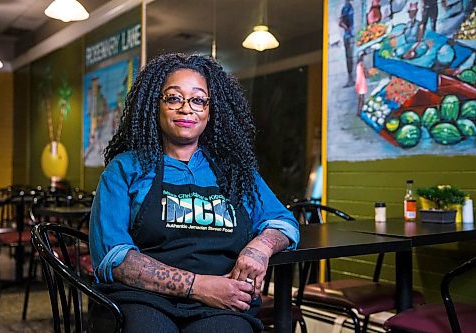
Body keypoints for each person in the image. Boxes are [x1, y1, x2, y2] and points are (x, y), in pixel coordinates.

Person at [88, 53, 300, 333]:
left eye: (198, 100)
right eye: (174, 98)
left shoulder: (234, 172)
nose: (187, 109)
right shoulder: (126, 168)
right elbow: (114, 259)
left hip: (223, 300)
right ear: (155, 105)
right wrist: (198, 286)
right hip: (144, 299)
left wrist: (259, 248)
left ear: (211, 110)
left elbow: (283, 223)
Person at [339, 0, 355, 87]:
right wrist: (348, 29)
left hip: (351, 35)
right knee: (349, 57)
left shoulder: (349, 6)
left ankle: (352, 78)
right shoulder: (346, 8)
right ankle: (350, 78)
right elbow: (340, 22)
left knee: (352, 57)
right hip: (348, 36)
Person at [355, 51, 368, 116]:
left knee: (360, 98)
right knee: (362, 98)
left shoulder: (358, 64)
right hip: (361, 82)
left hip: (358, 82)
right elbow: (366, 74)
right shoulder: (362, 64)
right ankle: (360, 111)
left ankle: (359, 111)